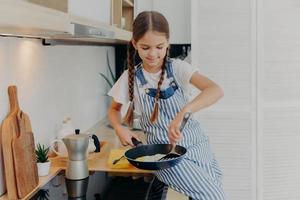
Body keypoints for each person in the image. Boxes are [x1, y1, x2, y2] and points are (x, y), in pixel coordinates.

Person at [108, 11, 226, 200]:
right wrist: (118, 127)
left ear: (168, 43)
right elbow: (114, 110)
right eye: (145, 47)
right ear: (134, 44)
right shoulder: (129, 78)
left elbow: (215, 90)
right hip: (166, 156)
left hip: (197, 145)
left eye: (159, 47)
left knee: (215, 190)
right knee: (213, 196)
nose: (153, 54)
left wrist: (185, 111)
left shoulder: (178, 68)